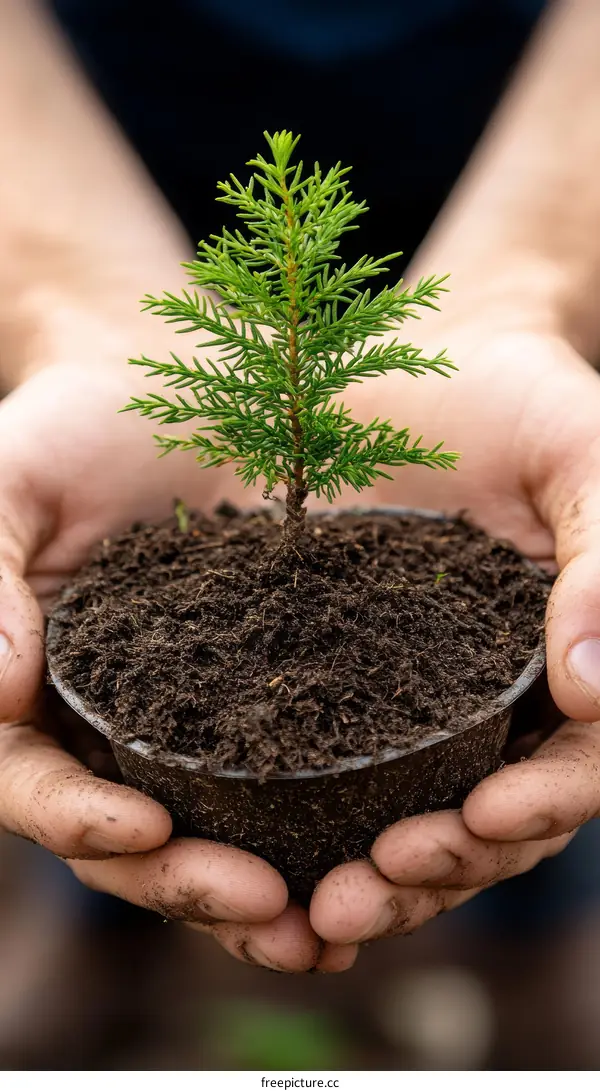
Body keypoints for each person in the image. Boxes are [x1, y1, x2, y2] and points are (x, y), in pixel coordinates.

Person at [1, 0, 600, 974]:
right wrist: (65, 305)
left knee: (543, 721)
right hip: (90, 122)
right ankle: (104, 951)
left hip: (524, 125)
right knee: (84, 768)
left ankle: (533, 947)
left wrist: (533, 285)